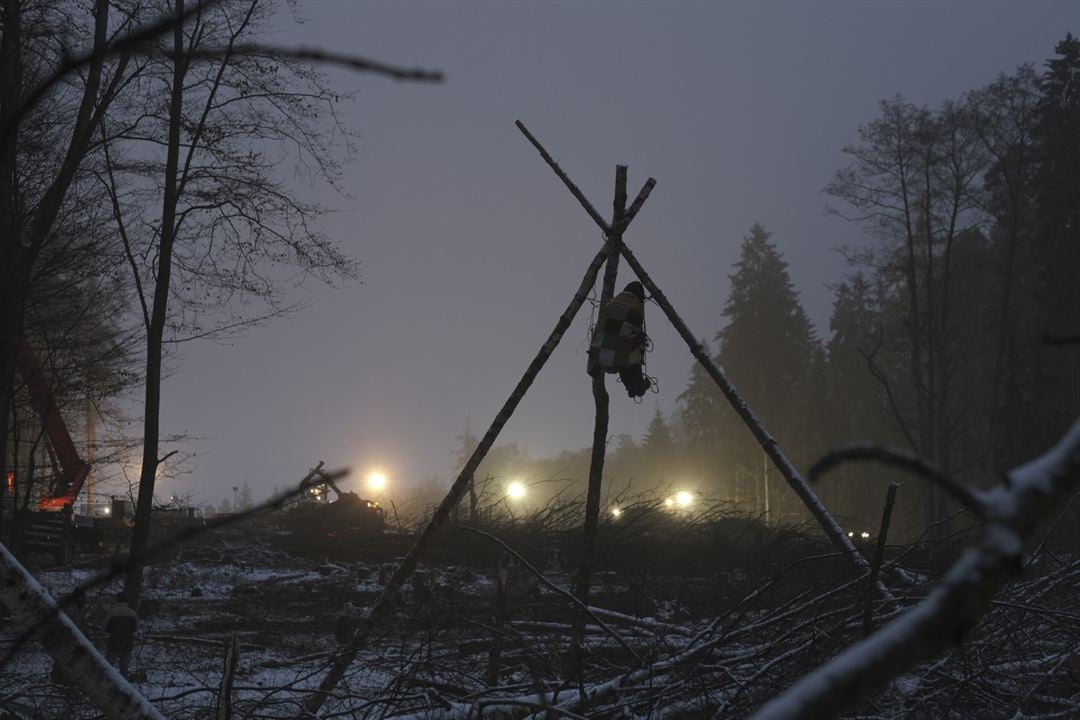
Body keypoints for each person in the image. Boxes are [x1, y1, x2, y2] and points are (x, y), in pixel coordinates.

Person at [587, 281, 650, 398]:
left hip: (603, 350)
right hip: (621, 350)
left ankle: (631, 386)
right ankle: (636, 385)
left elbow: (599, 328)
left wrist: (592, 361)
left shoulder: (609, 304)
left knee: (621, 349)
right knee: (631, 348)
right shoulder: (636, 307)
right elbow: (635, 329)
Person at [104, 591, 138, 677]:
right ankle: (123, 687)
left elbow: (105, 628)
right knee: (124, 669)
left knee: (108, 667)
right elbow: (135, 629)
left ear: (117, 600)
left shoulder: (112, 612)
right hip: (127, 644)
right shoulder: (133, 613)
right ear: (126, 601)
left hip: (113, 644)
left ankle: (106, 683)